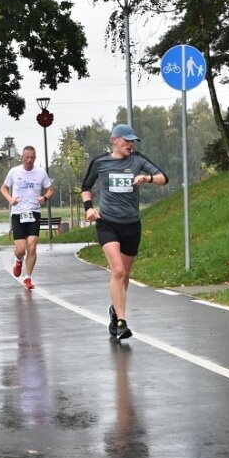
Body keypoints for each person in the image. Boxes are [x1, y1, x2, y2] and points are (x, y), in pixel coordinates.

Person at [80, 124, 167, 340]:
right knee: (117, 270)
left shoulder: (137, 160)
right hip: (107, 223)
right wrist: (89, 208)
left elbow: (163, 178)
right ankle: (121, 322)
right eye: (127, 140)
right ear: (114, 140)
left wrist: (146, 178)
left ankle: (114, 310)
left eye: (132, 141)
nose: (130, 144)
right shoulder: (100, 162)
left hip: (131, 225)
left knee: (125, 275)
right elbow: (86, 187)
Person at [0, 146, 54, 290]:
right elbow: (3, 188)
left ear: (35, 158)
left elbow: (50, 189)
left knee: (32, 246)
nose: (30, 160)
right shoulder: (14, 172)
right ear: (22, 157)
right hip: (18, 213)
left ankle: (28, 277)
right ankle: (18, 260)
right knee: (21, 249)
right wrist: (10, 199)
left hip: (34, 212)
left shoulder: (41, 172)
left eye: (32, 158)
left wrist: (44, 197)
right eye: (27, 157)